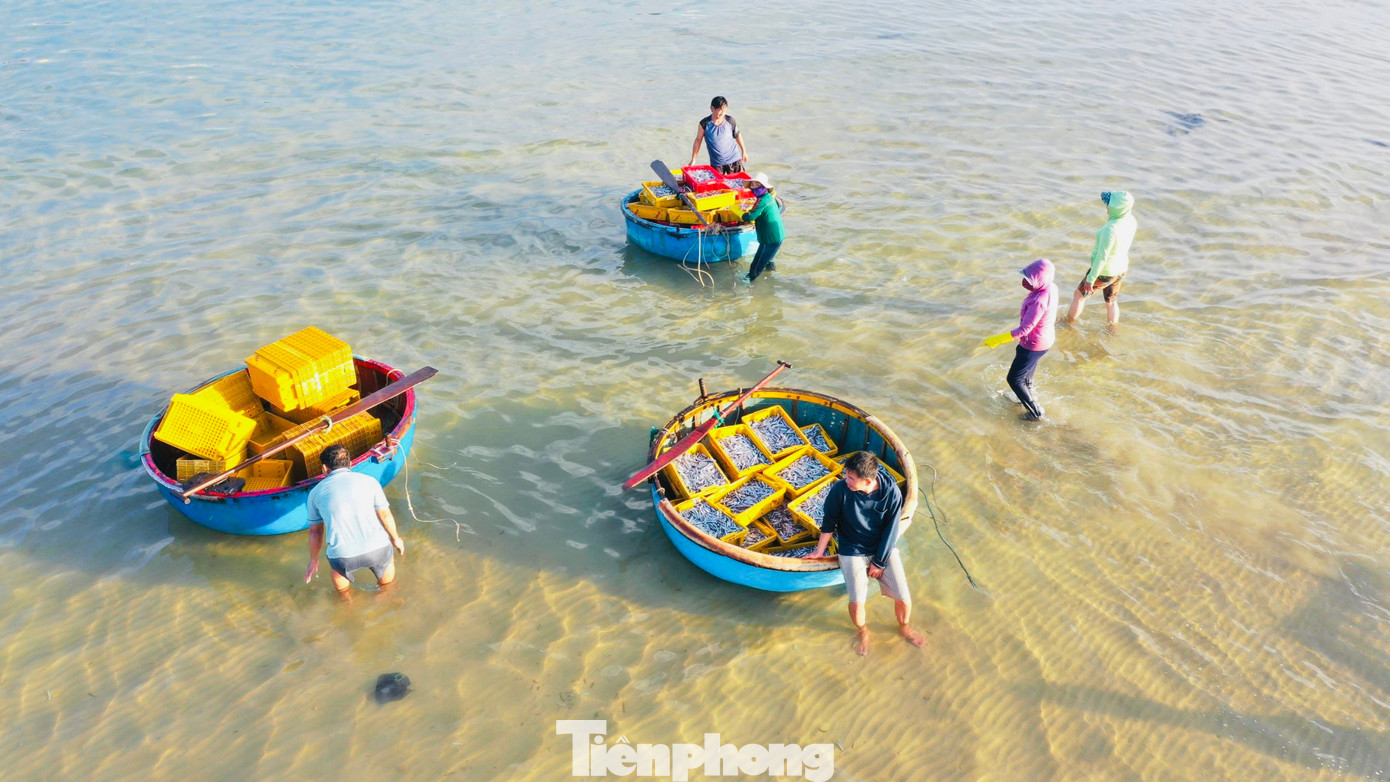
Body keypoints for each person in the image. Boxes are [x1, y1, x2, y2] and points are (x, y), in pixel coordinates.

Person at [810, 451, 926, 655]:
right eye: (847, 475)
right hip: (851, 548)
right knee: (856, 603)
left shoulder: (891, 494)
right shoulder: (841, 490)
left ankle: (904, 627)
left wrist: (879, 562)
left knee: (904, 596)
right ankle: (863, 631)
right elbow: (829, 521)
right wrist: (819, 551)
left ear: (868, 481)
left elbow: (891, 532)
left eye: (851, 478)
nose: (846, 480)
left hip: (882, 547)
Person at [304, 444, 405, 593]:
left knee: (338, 574)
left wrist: (314, 560)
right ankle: (385, 595)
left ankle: (346, 601)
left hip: (342, 556)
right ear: (350, 464)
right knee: (387, 580)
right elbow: (384, 514)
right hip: (377, 549)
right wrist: (396, 538)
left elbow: (315, 532)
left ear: (325, 469)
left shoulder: (315, 493)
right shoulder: (370, 481)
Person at [983, 258, 1059, 421]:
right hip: (1046, 339)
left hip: (1033, 344)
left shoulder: (1038, 301)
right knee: (1025, 376)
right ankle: (1026, 394)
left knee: (1014, 378)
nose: (1025, 282)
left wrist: (1000, 339)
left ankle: (1035, 412)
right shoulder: (1051, 287)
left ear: (1041, 281)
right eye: (1026, 277)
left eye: (1030, 280)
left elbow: (1025, 329)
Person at [1065, 191, 1136, 326]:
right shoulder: (1131, 220)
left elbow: (1102, 257)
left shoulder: (1110, 229)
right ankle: (1112, 329)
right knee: (1111, 301)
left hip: (1105, 271)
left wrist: (1090, 280)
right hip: (1121, 269)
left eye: (1109, 205)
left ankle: (1067, 324)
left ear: (1117, 208)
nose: (1106, 207)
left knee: (1079, 296)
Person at [688, 96, 748, 175]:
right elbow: (698, 140)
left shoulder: (730, 120)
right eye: (720, 110)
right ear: (712, 108)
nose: (723, 113)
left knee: (739, 184)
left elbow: (737, 135)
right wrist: (694, 159)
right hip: (717, 164)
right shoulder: (704, 123)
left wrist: (744, 151)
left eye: (724, 110)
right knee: (719, 186)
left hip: (734, 160)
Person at [740, 173, 784, 283]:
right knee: (768, 259)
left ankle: (749, 283)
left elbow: (751, 217)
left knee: (756, 265)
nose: (754, 187)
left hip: (769, 239)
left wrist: (742, 214)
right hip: (778, 236)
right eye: (753, 184)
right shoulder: (769, 197)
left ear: (764, 187)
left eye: (757, 184)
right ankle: (771, 275)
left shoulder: (762, 201)